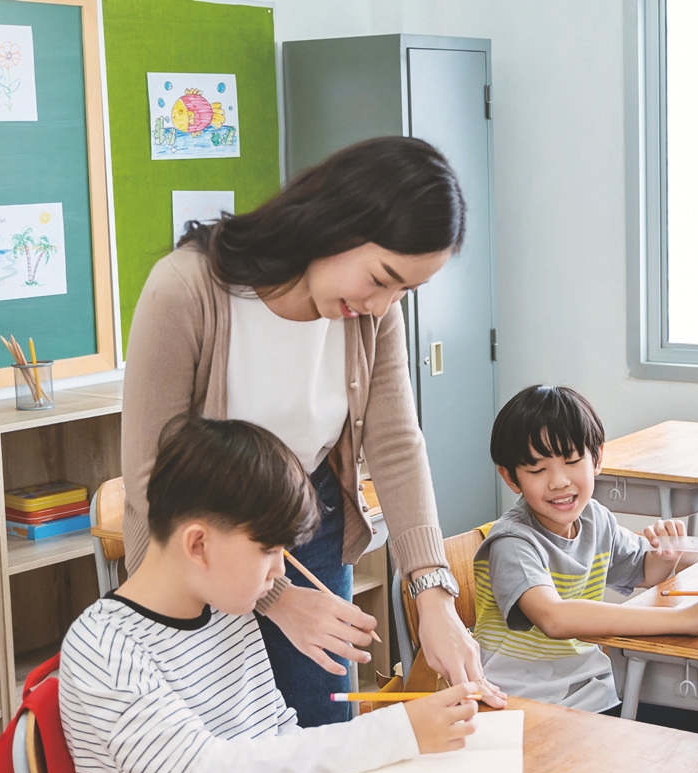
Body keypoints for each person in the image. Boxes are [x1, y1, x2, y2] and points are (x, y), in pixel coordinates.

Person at [122, 135, 506, 727]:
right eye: (382, 278)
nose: (383, 305)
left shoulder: (373, 314)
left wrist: (433, 596)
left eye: (404, 290)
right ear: (337, 225)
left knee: (325, 737)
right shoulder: (187, 289)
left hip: (309, 518)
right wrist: (272, 596)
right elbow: (151, 478)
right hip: (199, 541)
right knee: (226, 747)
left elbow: (397, 444)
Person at [60, 415, 480, 773]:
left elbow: (279, 734)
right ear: (198, 545)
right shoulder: (104, 648)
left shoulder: (227, 611)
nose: (281, 571)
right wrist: (391, 733)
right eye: (269, 551)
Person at [474, 384, 698, 713]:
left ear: (596, 458)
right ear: (511, 478)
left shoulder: (596, 519)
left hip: (591, 687)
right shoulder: (513, 541)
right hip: (520, 700)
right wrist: (687, 618)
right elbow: (554, 618)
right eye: (538, 470)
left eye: (571, 461)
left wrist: (665, 555)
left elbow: (646, 572)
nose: (559, 481)